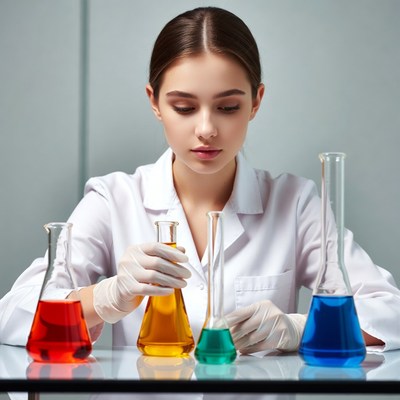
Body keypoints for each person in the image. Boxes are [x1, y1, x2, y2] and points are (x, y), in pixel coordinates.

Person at [0, 6, 399, 354]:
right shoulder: (113, 200)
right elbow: (13, 315)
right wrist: (105, 298)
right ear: (154, 101)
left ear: (256, 101)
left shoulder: (295, 203)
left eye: (227, 106)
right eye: (184, 107)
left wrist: (300, 330)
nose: (206, 129)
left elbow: (390, 315)